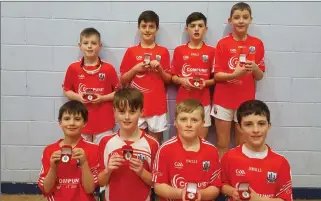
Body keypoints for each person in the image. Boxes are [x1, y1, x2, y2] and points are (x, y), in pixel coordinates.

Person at [211, 2, 266, 157]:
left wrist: (254, 68)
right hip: (223, 102)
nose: (241, 21)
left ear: (250, 20)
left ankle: (237, 177)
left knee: (242, 145)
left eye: (245, 17)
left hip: (245, 103)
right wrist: (234, 75)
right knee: (222, 143)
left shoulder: (257, 44)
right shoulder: (223, 43)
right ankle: (222, 179)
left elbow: (260, 76)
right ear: (230, 20)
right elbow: (216, 75)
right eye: (237, 17)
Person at [221, 99, 293, 201]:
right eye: (248, 124)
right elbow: (222, 185)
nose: (256, 130)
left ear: (269, 126)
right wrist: (233, 192)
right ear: (239, 127)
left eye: (261, 124)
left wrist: (258, 199)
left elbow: (285, 199)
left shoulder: (281, 163)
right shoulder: (229, 157)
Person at [98, 87, 159, 201]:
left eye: (132, 111)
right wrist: (108, 170)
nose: (126, 117)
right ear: (114, 112)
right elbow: (101, 182)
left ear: (141, 112)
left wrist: (142, 172)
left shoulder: (152, 143)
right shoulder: (105, 142)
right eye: (122, 111)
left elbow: (156, 183)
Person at [120, 10, 172, 144]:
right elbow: (123, 80)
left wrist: (160, 68)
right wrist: (135, 69)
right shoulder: (131, 52)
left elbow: (168, 80)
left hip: (157, 107)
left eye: (151, 26)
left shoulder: (163, 51)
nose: (147, 30)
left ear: (157, 29)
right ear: (139, 28)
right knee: (136, 144)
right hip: (135, 106)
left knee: (154, 144)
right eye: (144, 26)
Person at [153, 99, 221, 201]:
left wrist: (199, 194)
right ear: (175, 122)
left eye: (194, 120)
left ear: (202, 123)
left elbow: (215, 188)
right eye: (183, 119)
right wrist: (182, 193)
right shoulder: (165, 149)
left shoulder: (212, 151)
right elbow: (158, 187)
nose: (188, 124)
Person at [62, 27, 120, 144]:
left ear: (100, 46)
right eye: (86, 43)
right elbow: (67, 90)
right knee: (83, 157)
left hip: (104, 123)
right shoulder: (73, 68)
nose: (89, 46)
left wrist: (102, 98)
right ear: (80, 46)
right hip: (81, 123)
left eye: (93, 43)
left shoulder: (108, 69)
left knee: (103, 156)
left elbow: (119, 93)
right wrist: (79, 97)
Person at [38, 100, 99, 201]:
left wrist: (84, 163)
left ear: (85, 123)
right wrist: (53, 168)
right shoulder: (49, 151)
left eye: (77, 119)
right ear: (60, 123)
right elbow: (46, 189)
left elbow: (89, 189)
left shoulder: (94, 149)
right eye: (67, 119)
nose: (71, 123)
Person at [171, 12, 215, 139]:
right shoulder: (179, 51)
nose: (196, 29)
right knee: (182, 141)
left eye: (200, 26)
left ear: (205, 29)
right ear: (187, 29)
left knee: (201, 141)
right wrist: (182, 81)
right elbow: (172, 77)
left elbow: (215, 79)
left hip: (204, 102)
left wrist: (205, 83)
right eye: (193, 25)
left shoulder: (212, 51)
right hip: (183, 102)